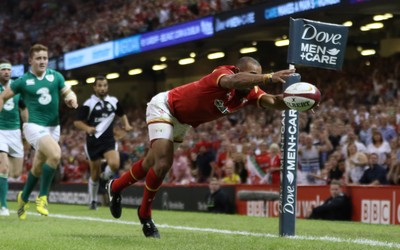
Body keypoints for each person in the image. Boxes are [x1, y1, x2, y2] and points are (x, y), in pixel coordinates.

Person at [105, 56, 294, 238]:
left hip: (184, 121)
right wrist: (268, 76)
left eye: (257, 77)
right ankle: (145, 215)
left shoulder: (251, 92)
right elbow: (234, 81)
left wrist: (299, 102)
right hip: (165, 106)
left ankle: (116, 187)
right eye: (252, 75)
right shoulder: (222, 73)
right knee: (163, 163)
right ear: (238, 70)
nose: (254, 83)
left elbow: (274, 101)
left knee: (150, 163)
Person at [0, 44, 78, 220]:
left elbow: (67, 92)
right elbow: (3, 96)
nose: (43, 61)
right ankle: (42, 197)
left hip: (53, 127)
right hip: (33, 126)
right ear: (30, 61)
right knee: (56, 155)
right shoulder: (22, 81)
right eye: (39, 58)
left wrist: (72, 99)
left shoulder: (56, 76)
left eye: (45, 58)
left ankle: (23, 198)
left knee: (37, 167)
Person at [73, 75, 132, 210]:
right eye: (99, 86)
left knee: (115, 164)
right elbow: (77, 122)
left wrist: (126, 125)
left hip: (108, 140)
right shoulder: (89, 104)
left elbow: (121, 114)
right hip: (93, 142)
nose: (102, 88)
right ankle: (93, 201)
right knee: (94, 173)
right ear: (94, 87)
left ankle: (105, 176)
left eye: (104, 85)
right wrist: (88, 128)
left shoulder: (113, 101)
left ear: (107, 87)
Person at [0, 60, 28, 216]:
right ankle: (3, 206)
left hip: (15, 132)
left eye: (8, 70)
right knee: (3, 167)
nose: (6, 72)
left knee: (15, 174)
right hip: (0, 131)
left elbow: (23, 109)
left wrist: (28, 128)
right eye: (3, 69)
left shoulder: (16, 88)